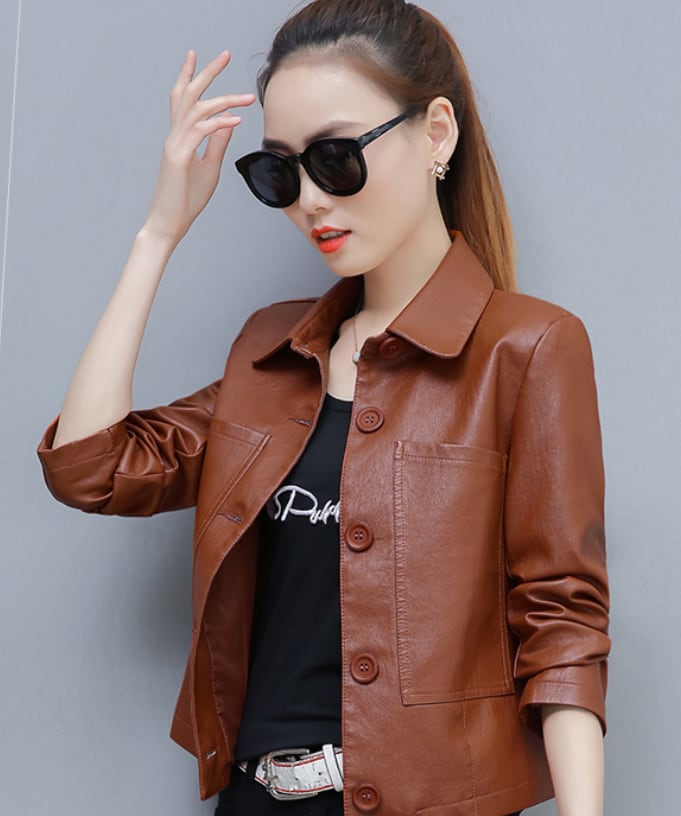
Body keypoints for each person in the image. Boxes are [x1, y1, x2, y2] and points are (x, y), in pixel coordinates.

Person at [37, 1, 611, 814]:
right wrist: (158, 233)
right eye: (279, 172)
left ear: (436, 133)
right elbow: (89, 468)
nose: (308, 199)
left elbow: (561, 622)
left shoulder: (526, 348)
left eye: (336, 158)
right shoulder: (270, 356)